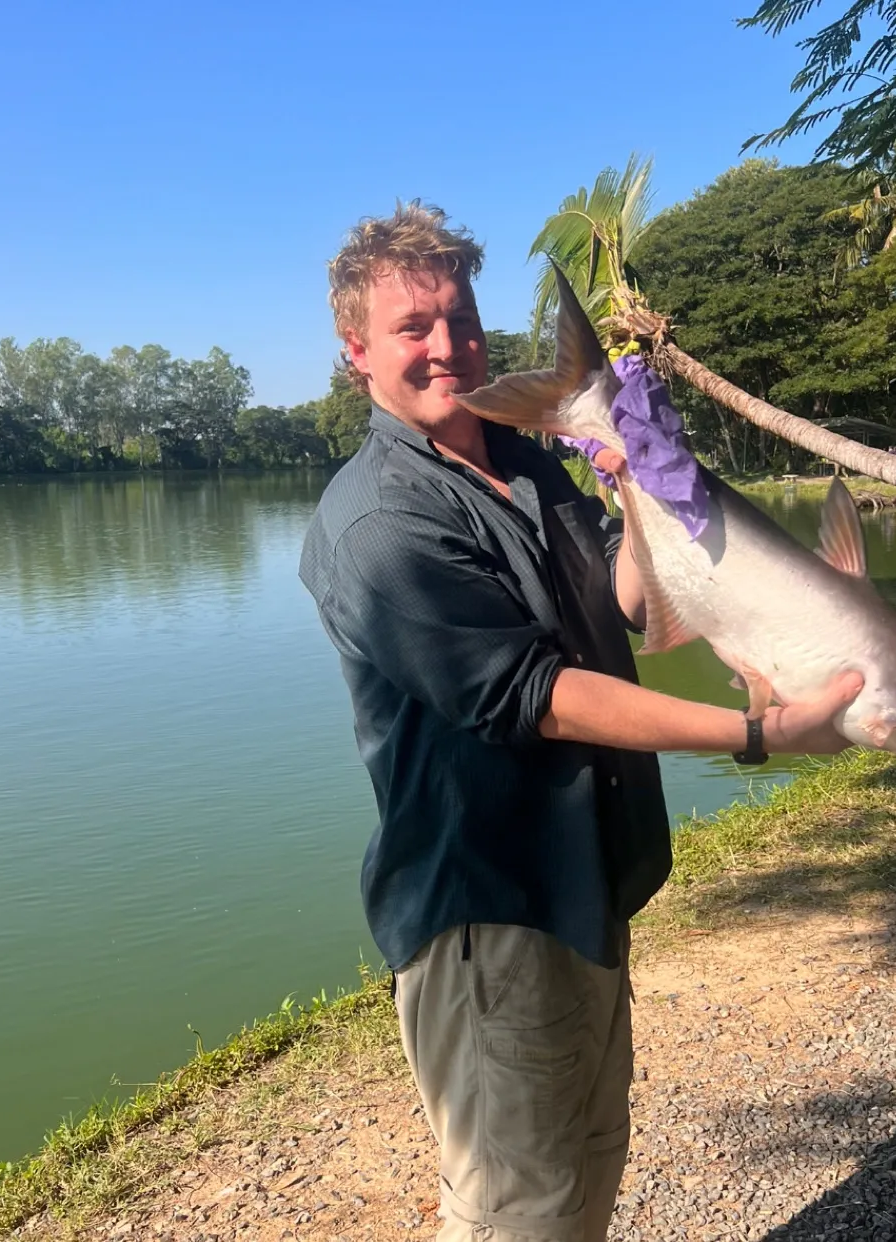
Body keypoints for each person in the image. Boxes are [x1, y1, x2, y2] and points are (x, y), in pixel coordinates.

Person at [298, 202, 864, 1242]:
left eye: (462, 320)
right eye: (413, 327)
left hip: (585, 883)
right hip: (492, 913)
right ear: (356, 351)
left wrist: (642, 487)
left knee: (587, 1171)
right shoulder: (378, 522)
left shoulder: (526, 460)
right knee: (517, 1213)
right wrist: (757, 736)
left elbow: (629, 609)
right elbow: (539, 698)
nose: (448, 346)